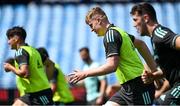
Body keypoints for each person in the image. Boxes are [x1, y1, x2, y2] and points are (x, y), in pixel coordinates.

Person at [68, 6, 158, 105]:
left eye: (91, 25)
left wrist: (84, 74)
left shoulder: (110, 35)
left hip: (139, 86)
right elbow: (141, 44)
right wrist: (155, 71)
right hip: (127, 89)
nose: (91, 30)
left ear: (98, 20)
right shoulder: (119, 31)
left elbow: (112, 66)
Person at [130, 2, 180, 105]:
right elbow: (170, 69)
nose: (133, 24)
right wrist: (153, 76)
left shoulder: (159, 34)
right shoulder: (154, 39)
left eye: (135, 20)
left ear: (146, 18)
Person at [3, 26, 53, 105]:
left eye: (9, 39)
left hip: (39, 93)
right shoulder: (33, 50)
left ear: (16, 38)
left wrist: (10, 67)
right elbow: (50, 64)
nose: (8, 42)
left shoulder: (20, 51)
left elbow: (25, 73)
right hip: (32, 94)